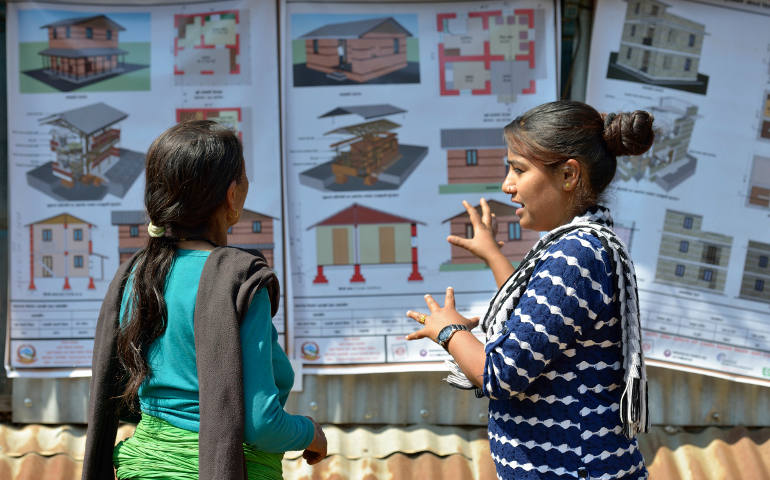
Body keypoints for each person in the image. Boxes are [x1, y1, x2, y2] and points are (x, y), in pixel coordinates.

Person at [406, 100, 654, 479]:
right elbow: (540, 322)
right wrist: (493, 255)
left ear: (569, 175)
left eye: (519, 169)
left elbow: (500, 372)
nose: (507, 185)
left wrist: (449, 330)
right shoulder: (581, 246)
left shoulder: (576, 254)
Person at [82, 120, 327, 480]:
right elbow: (262, 424)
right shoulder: (238, 278)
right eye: (244, 177)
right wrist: (311, 432)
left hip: (141, 467)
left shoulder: (135, 274)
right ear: (232, 194)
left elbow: (127, 397)